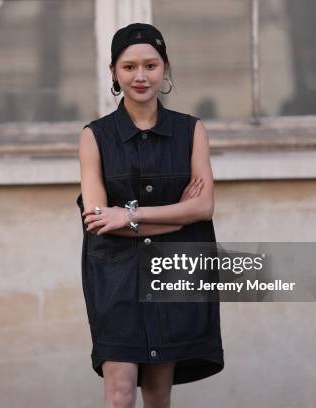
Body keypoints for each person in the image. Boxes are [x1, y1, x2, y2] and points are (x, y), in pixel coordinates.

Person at [76, 23, 224, 407]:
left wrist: (128, 215)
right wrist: (177, 217)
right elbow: (97, 222)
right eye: (128, 67)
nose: (140, 76)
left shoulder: (192, 131)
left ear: (165, 68)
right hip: (115, 276)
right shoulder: (95, 137)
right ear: (113, 72)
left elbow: (204, 206)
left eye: (150, 65)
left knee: (158, 395)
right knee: (120, 394)